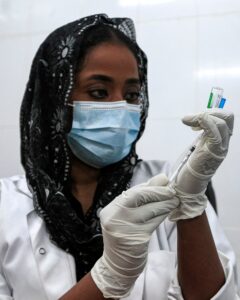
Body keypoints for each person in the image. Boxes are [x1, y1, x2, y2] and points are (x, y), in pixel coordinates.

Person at [0, 13, 239, 300]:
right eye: (99, 92)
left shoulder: (172, 182)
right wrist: (109, 275)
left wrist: (190, 206)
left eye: (133, 95)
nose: (120, 108)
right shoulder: (6, 207)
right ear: (55, 100)